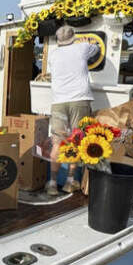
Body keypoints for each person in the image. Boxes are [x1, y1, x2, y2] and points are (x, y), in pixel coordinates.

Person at [46, 25, 99, 196]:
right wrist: (83, 40)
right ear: (73, 38)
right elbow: (97, 48)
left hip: (59, 101)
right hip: (79, 99)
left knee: (57, 143)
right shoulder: (82, 47)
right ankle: (70, 181)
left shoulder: (53, 54)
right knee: (76, 140)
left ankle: (52, 183)